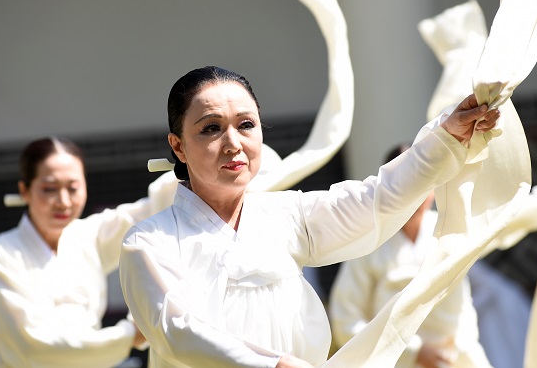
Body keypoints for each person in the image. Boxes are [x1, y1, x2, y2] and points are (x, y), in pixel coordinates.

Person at [119, 65, 500, 368]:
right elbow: (177, 330)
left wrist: (446, 137)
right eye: (211, 128)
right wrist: (273, 365)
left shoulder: (287, 213)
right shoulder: (149, 242)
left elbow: (375, 198)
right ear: (178, 146)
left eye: (246, 125)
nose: (233, 143)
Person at [0, 137, 151, 368]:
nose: (63, 201)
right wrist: (127, 335)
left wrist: (191, 168)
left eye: (73, 187)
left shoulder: (87, 237)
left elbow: (149, 211)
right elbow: (32, 347)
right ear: (24, 190)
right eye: (50, 189)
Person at [328, 143, 492, 368]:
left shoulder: (452, 228)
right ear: (387, 187)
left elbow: (503, 220)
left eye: (424, 182)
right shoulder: (368, 242)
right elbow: (346, 320)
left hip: (457, 356)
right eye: (406, 183)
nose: (415, 193)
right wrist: (412, 352)